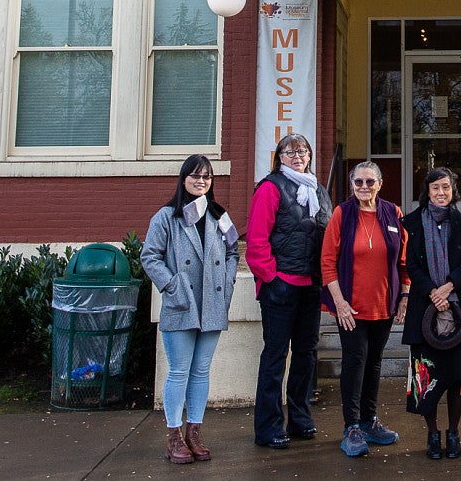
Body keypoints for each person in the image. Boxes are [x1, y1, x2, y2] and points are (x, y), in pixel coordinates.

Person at [141, 155, 240, 464]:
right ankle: (174, 435)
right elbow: (150, 256)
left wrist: (227, 280)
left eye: (207, 177)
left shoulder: (219, 216)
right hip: (181, 303)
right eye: (196, 176)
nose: (201, 181)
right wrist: (172, 285)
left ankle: (194, 431)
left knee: (200, 371)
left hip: (211, 303)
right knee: (179, 371)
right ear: (183, 179)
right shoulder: (166, 217)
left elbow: (233, 250)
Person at [246, 134, 332, 450]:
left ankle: (300, 418)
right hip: (280, 286)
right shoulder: (270, 188)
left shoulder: (318, 190)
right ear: (279, 156)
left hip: (311, 286)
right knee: (275, 356)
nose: (297, 155)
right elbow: (256, 241)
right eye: (290, 150)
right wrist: (272, 277)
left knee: (306, 356)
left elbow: (328, 235)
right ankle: (268, 426)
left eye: (303, 150)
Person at [321, 161, 410, 457]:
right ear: (351, 185)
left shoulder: (393, 213)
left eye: (370, 182)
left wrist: (404, 297)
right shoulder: (342, 214)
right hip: (351, 307)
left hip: (384, 304)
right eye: (358, 182)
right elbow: (327, 262)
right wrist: (340, 302)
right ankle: (352, 427)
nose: (364, 187)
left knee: (374, 362)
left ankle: (369, 421)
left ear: (380, 184)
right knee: (355, 361)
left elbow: (404, 261)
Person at [400, 168, 461, 460]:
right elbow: (411, 264)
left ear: (453, 190)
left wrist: (447, 287)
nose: (441, 193)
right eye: (435, 188)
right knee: (429, 377)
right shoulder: (412, 223)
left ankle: (453, 432)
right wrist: (433, 293)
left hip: (459, 308)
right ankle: (433, 434)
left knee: (457, 377)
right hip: (425, 310)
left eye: (446, 187)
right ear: (427, 190)